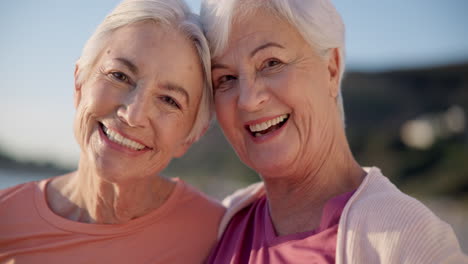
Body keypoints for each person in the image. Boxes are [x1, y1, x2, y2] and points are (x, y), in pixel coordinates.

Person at [200, 0, 468, 263]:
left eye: (271, 63)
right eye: (225, 78)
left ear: (331, 68)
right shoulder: (219, 225)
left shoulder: (409, 241)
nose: (247, 99)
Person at [0, 0, 225, 263]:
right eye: (119, 76)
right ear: (79, 83)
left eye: (169, 100)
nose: (133, 115)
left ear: (191, 136)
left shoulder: (218, 235)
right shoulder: (7, 218)